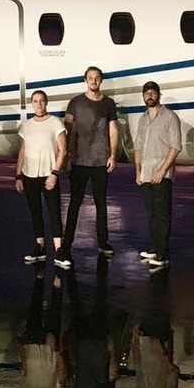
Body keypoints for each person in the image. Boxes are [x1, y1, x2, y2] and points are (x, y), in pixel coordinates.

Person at [62, 66, 120, 261]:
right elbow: (66, 128)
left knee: (101, 204)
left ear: (101, 80)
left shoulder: (108, 103)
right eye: (90, 78)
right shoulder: (75, 102)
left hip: (100, 161)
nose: (94, 81)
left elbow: (113, 129)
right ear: (85, 80)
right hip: (79, 161)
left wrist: (113, 155)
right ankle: (66, 244)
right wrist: (66, 155)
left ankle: (103, 243)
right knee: (74, 203)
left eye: (97, 78)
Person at [133, 81, 182, 272]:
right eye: (146, 93)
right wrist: (138, 171)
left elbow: (175, 146)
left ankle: (163, 254)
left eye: (153, 93)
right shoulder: (142, 119)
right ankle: (155, 248)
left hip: (162, 174)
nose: (150, 96)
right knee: (152, 213)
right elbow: (138, 147)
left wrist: (162, 170)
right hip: (145, 174)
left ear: (159, 95)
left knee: (162, 214)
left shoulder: (170, 117)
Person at [16, 89, 68, 266]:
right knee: (35, 211)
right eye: (35, 101)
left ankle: (59, 250)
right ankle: (40, 247)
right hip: (29, 174)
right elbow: (22, 151)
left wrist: (55, 173)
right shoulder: (26, 126)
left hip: (48, 174)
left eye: (41, 100)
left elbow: (63, 150)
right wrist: (18, 175)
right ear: (31, 104)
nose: (38, 104)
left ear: (46, 102)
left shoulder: (55, 123)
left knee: (54, 211)